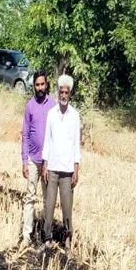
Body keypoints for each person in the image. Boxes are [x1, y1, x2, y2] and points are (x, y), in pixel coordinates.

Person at [42, 74, 81, 254]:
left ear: (70, 94)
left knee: (67, 208)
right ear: (58, 93)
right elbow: (47, 140)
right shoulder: (51, 114)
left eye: (66, 92)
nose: (63, 95)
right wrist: (45, 164)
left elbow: (76, 144)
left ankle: (67, 242)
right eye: (61, 92)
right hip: (52, 168)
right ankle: (47, 239)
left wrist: (76, 169)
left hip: (67, 170)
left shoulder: (75, 116)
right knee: (49, 206)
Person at [21, 70, 56, 247]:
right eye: (37, 85)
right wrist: (24, 161)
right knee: (30, 197)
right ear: (34, 86)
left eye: (42, 84)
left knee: (48, 199)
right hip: (33, 159)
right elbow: (25, 134)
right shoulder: (30, 106)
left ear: (46, 84)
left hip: (48, 161)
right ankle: (26, 236)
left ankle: (46, 236)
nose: (40, 87)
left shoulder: (53, 105)